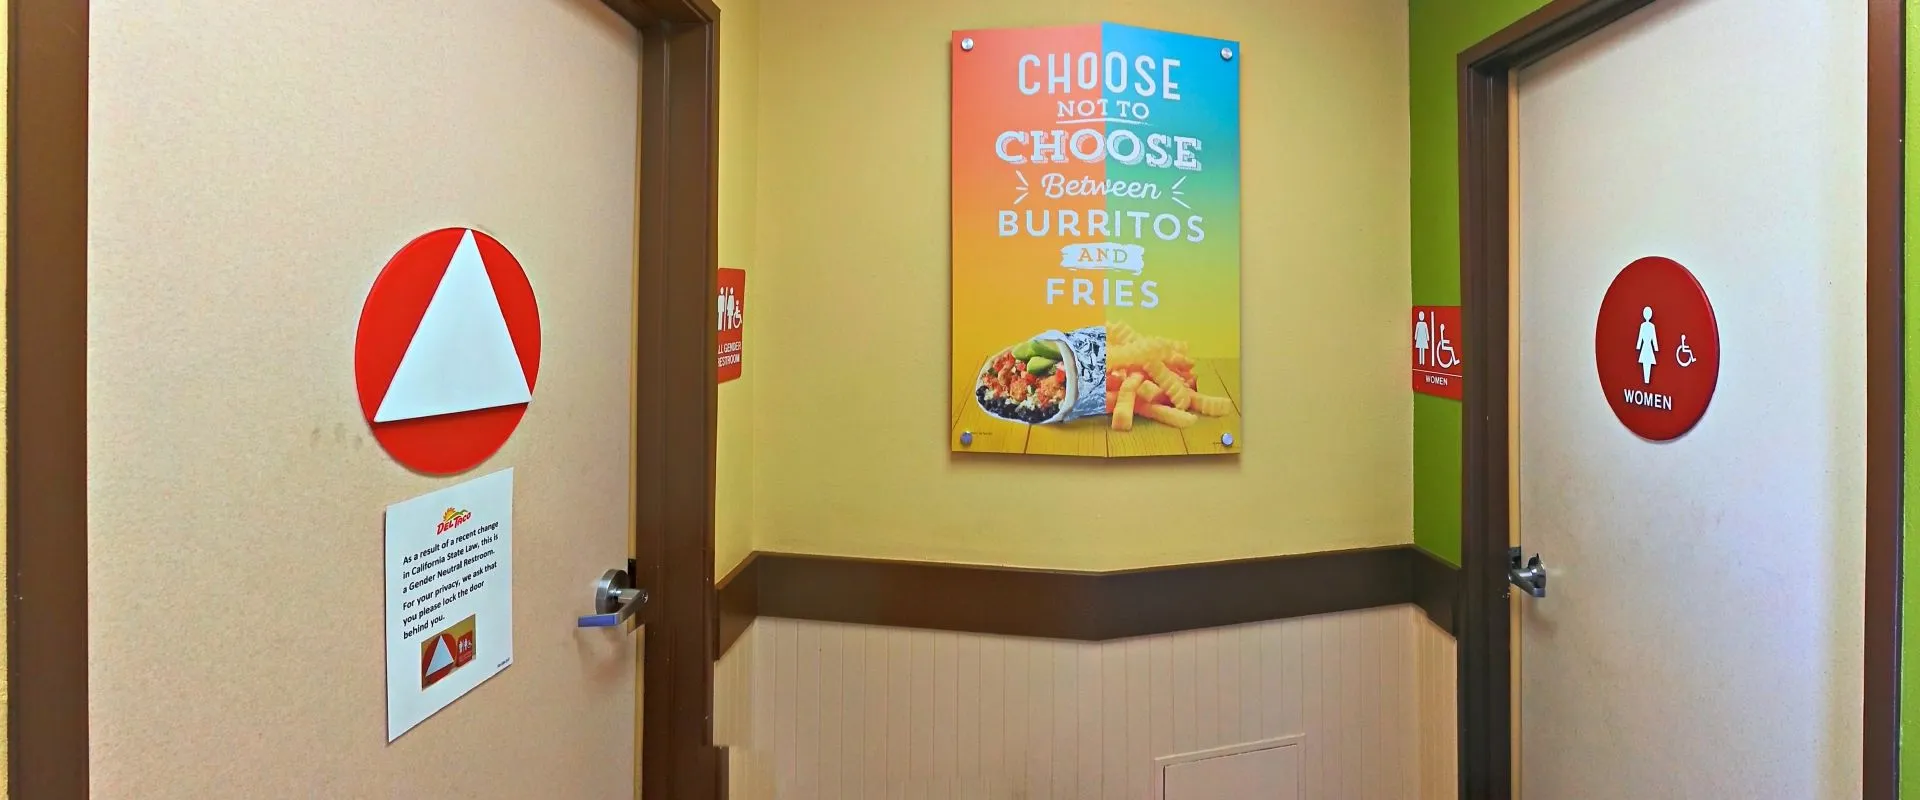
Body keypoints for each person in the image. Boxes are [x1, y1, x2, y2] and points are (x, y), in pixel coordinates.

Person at [1635, 306, 1658, 384]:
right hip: (1648, 347)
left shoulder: (1644, 325)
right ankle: (1646, 380)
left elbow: (1641, 337)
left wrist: (1638, 346)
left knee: (1646, 363)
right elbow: (1653, 338)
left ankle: (1647, 379)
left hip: (1645, 347)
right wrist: (1655, 347)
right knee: (1647, 362)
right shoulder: (1651, 326)